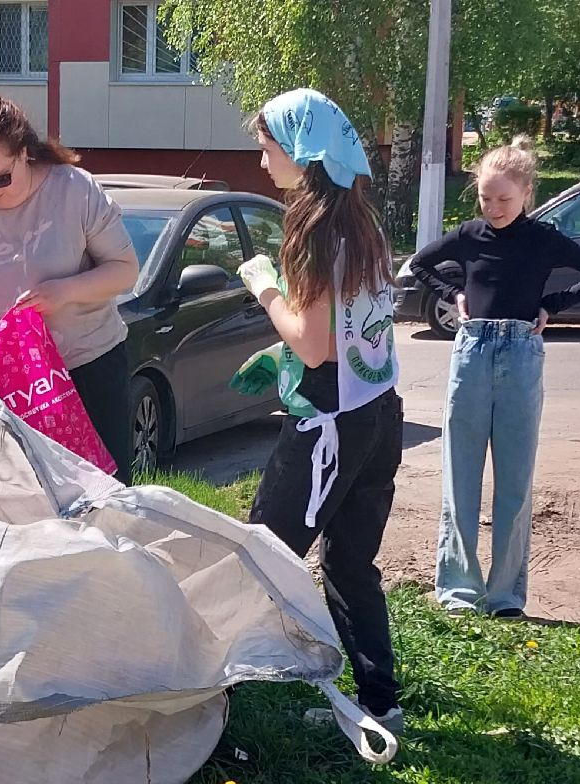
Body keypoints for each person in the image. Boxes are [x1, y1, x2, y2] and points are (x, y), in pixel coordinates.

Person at [230, 87, 406, 736]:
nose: (262, 161)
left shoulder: (310, 231)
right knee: (350, 562)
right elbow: (346, 337)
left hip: (327, 427)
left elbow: (310, 341)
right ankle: (380, 702)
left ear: (302, 152)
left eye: (267, 147)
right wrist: (285, 359)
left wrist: (263, 286)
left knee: (258, 556)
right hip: (378, 414)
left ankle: (206, 697)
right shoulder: (364, 223)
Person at [409, 136, 580, 618]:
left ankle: (505, 596)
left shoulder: (543, 238)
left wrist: (553, 306)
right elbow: (420, 264)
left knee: (515, 482)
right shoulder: (468, 235)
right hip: (472, 352)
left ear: (526, 194)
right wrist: (455, 293)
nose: (494, 207)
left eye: (504, 198)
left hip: (522, 351)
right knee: (461, 475)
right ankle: (459, 590)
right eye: (486, 198)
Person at [0, 90, 143, 481]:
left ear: (25, 152)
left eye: (0, 178)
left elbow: (125, 271)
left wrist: (65, 291)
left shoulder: (75, 190)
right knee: (16, 503)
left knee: (99, 499)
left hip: (86, 370)